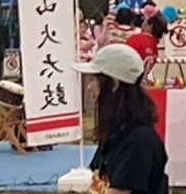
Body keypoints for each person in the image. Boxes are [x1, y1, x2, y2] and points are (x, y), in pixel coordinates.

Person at [72, 45, 168, 194]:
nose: (88, 88)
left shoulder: (138, 140)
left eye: (93, 80)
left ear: (114, 84)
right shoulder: (117, 131)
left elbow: (118, 191)